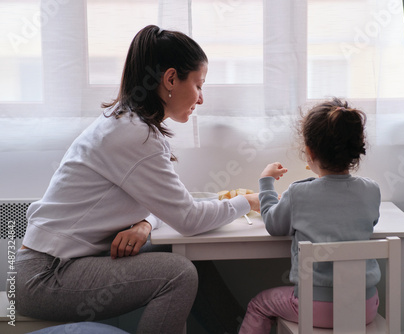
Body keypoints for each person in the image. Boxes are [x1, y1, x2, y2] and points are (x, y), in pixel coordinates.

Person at [12, 25, 259, 334]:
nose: (201, 98)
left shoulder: (130, 124)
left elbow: (167, 205)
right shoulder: (135, 136)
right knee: (180, 273)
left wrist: (144, 223)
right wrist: (247, 201)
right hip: (45, 276)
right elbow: (189, 218)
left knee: (194, 262)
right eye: (198, 84)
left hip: (58, 265)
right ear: (170, 79)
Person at [238, 98, 381, 333]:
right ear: (356, 149)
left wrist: (266, 183)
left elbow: (274, 224)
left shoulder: (299, 193)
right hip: (365, 308)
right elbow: (370, 221)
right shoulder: (372, 190)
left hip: (316, 308)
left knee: (259, 304)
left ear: (310, 151)